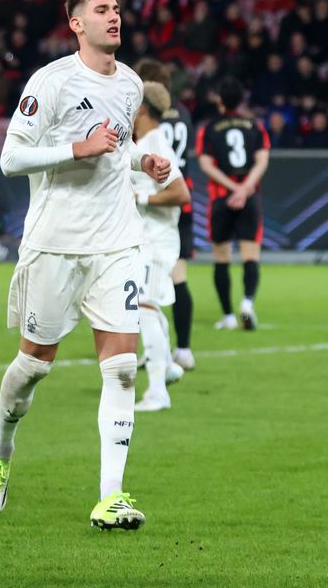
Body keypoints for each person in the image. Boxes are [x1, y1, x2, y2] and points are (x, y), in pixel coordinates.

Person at [0, 0, 172, 530]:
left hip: (117, 244)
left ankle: (110, 497)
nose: (114, 18)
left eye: (117, 9)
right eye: (102, 11)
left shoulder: (132, 83)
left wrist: (143, 165)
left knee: (122, 370)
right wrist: (75, 149)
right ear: (76, 23)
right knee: (33, 367)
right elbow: (11, 158)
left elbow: (119, 150)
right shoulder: (51, 82)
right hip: (55, 244)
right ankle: (0, 445)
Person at [131, 80, 191, 411]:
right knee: (147, 304)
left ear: (140, 109)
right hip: (149, 238)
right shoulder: (149, 141)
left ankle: (157, 391)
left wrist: (140, 196)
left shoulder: (155, 142)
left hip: (156, 240)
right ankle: (166, 365)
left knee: (145, 307)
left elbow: (182, 194)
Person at [195, 76, 270, 331]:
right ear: (241, 100)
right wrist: (245, 187)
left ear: (219, 100)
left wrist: (231, 188)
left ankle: (227, 314)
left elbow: (205, 164)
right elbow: (262, 160)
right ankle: (247, 303)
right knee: (251, 255)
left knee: (221, 258)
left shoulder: (209, 128)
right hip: (249, 197)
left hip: (221, 198)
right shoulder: (254, 126)